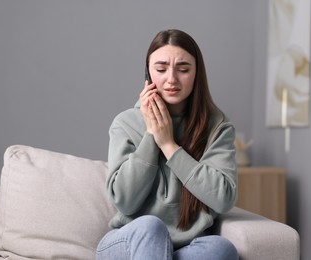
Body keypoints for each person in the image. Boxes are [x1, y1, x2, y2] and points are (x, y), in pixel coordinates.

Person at [96, 29, 238, 260]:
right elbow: (125, 202)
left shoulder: (217, 126)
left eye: (183, 69)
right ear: (148, 74)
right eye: (161, 69)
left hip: (185, 248)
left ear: (196, 73)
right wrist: (153, 134)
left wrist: (169, 145)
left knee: (221, 249)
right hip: (128, 241)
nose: (171, 79)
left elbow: (223, 199)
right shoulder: (125, 123)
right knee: (151, 227)